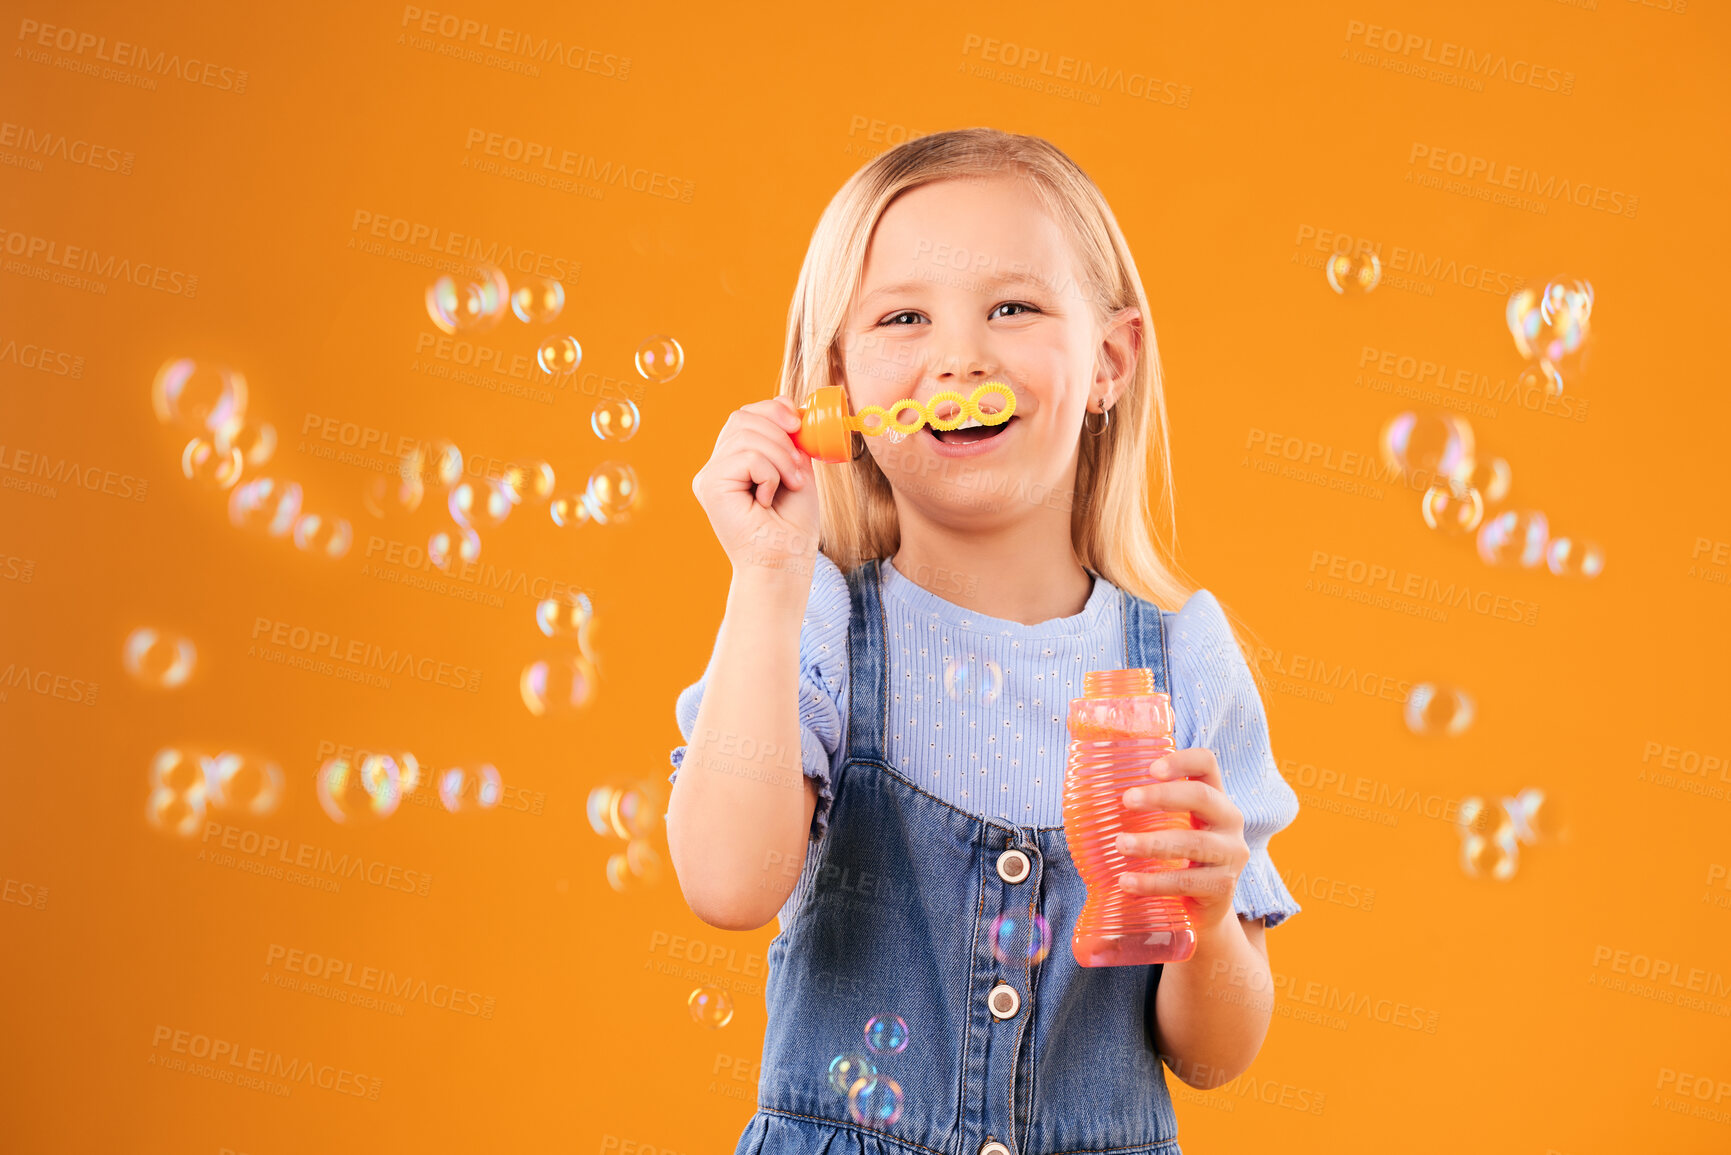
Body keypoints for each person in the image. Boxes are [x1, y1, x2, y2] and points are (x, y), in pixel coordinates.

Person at [665, 126, 1301, 1155]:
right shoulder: (814, 626)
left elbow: (1215, 1054)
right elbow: (727, 886)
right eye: (904, 317)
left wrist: (1208, 915)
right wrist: (769, 579)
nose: (961, 357)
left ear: (1109, 361)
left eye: (1013, 307)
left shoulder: (1182, 662)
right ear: (842, 393)